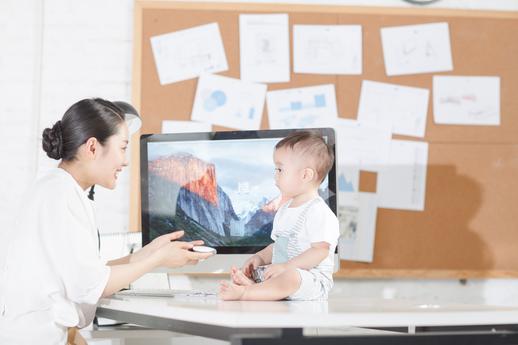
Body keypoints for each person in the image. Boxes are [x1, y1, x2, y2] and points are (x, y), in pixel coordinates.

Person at [0, 98, 213, 345]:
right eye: (122, 148)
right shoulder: (61, 194)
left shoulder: (58, 188)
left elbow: (87, 274)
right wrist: (158, 259)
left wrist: (148, 253)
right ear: (92, 147)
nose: (126, 161)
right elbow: (91, 287)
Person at [219, 130, 339, 301]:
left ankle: (248, 292)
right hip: (283, 274)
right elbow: (278, 245)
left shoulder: (318, 211)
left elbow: (320, 251)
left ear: (306, 175)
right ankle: (256, 287)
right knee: (264, 271)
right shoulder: (285, 209)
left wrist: (286, 267)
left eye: (280, 169)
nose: (275, 174)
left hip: (311, 281)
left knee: (291, 277)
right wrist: (259, 258)